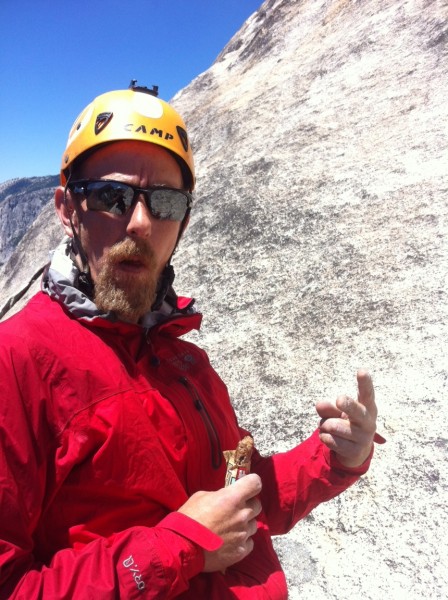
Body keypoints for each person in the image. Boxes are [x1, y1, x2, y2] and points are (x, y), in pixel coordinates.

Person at [0, 83, 382, 599]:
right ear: (67, 207)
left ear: (181, 220)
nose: (139, 223)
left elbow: (242, 500)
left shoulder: (182, 357)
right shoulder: (16, 363)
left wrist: (335, 456)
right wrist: (183, 548)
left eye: (164, 202)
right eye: (110, 197)